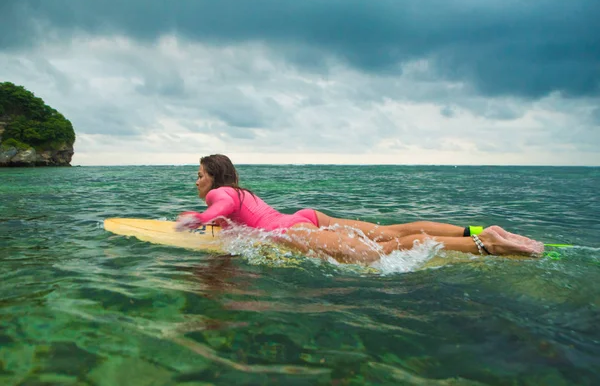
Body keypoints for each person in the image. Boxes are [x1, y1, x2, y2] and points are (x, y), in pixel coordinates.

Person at [176, 154, 544, 264]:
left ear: (213, 177)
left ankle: (490, 245)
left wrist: (197, 219)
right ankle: (478, 231)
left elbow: (218, 206)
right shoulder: (241, 191)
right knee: (391, 231)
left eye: (199, 175)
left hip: (292, 231)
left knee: (378, 254)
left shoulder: (219, 195)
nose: (196, 182)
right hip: (305, 216)